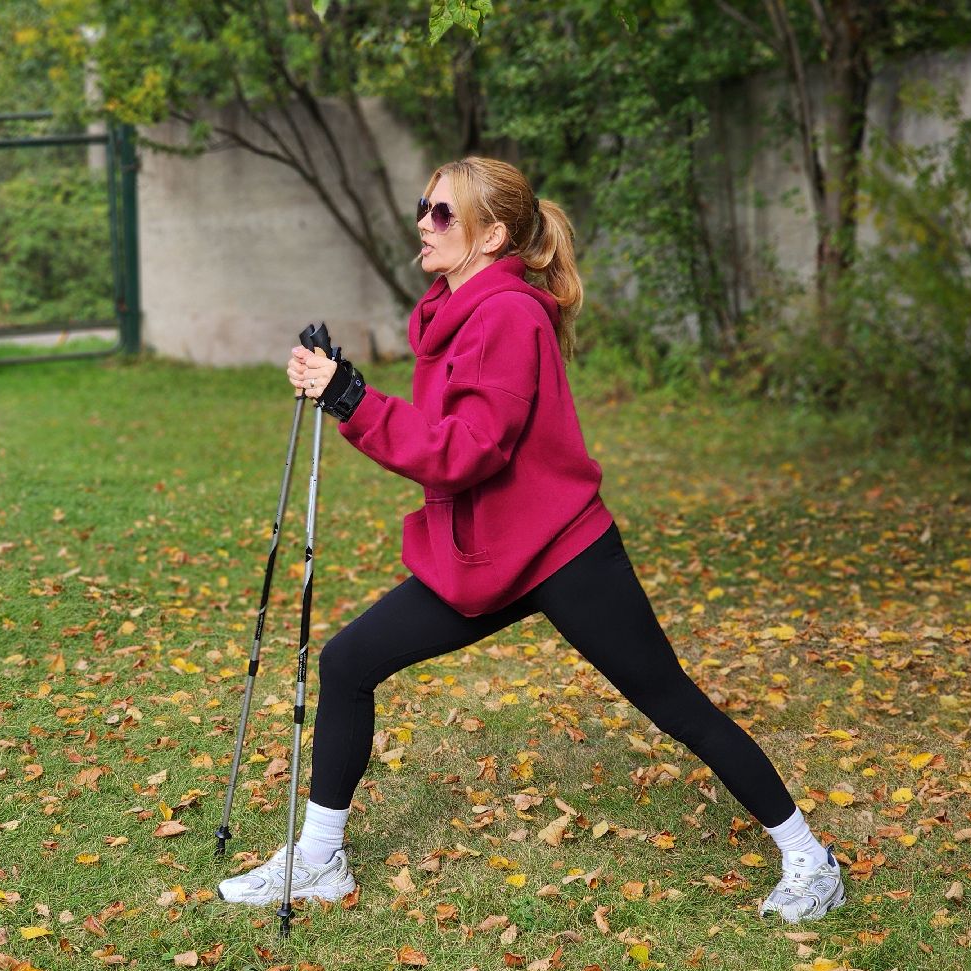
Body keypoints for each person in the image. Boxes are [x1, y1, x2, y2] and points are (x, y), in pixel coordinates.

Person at [217, 157, 845, 924]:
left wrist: (352, 399)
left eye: (443, 213)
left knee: (672, 704)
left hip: (562, 552)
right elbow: (445, 432)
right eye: (424, 207)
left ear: (492, 235)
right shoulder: (452, 317)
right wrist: (344, 383)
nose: (423, 223)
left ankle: (810, 858)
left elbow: (467, 448)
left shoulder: (508, 317)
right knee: (348, 662)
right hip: (486, 557)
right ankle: (320, 862)